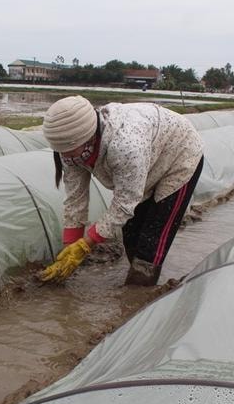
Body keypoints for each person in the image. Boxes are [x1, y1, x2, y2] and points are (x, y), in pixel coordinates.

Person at [39, 95, 204, 286]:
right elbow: (76, 199)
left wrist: (86, 245)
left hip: (179, 157)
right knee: (131, 234)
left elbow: (125, 203)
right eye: (61, 151)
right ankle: (139, 281)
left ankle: (138, 297)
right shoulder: (70, 153)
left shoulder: (125, 144)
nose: (66, 156)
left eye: (69, 150)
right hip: (146, 162)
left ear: (88, 138)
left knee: (152, 242)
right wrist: (69, 252)